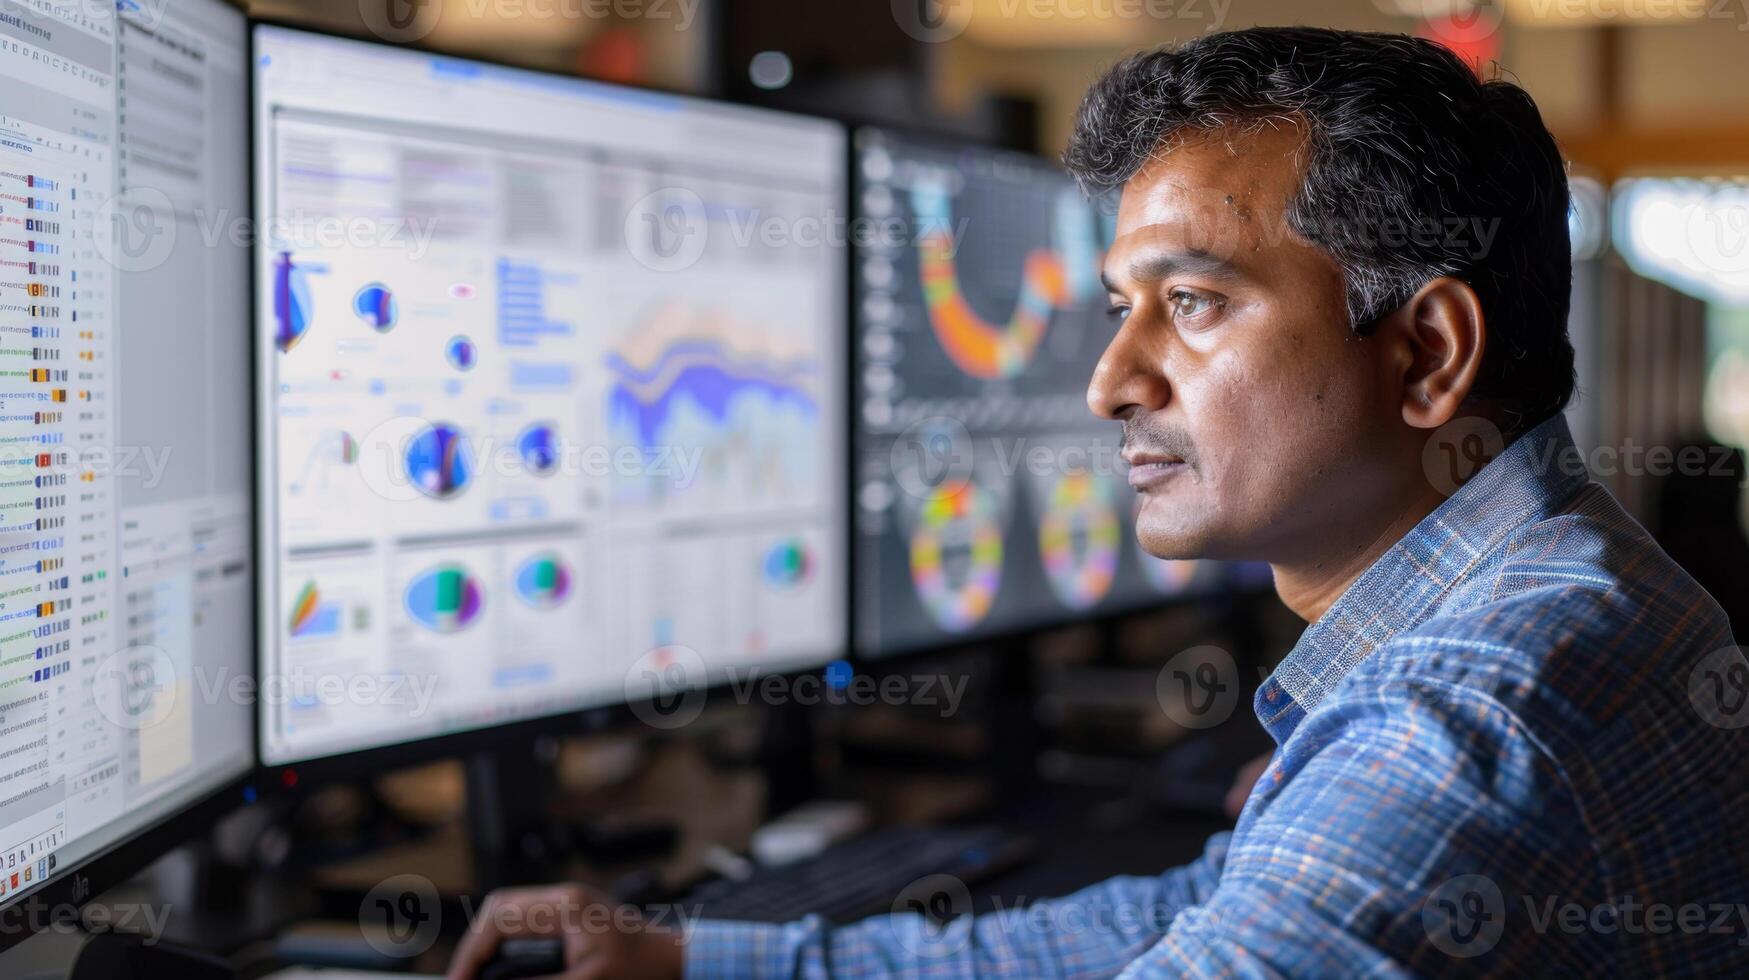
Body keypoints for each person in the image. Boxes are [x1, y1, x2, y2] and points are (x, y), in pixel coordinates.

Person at [448, 27, 1749, 978]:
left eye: (1189, 305)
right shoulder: (1546, 588)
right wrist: (698, 961)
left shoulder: (1465, 727)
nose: (1109, 383)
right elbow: (1188, 914)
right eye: (1121, 309)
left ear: (1424, 354)